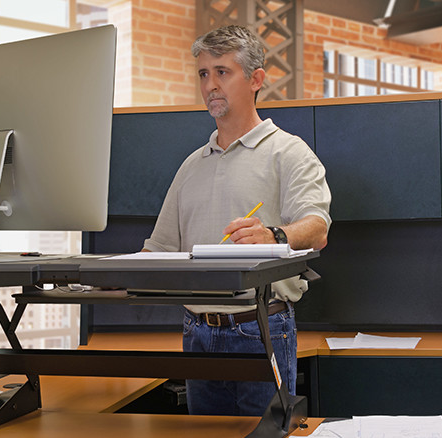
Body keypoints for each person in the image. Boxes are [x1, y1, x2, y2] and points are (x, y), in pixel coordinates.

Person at [142, 25, 332, 416]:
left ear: (256, 79)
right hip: (197, 332)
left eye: (222, 72)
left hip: (259, 328)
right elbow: (157, 250)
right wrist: (103, 277)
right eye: (203, 73)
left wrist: (273, 235)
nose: (210, 84)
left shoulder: (289, 153)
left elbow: (317, 228)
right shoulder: (191, 166)